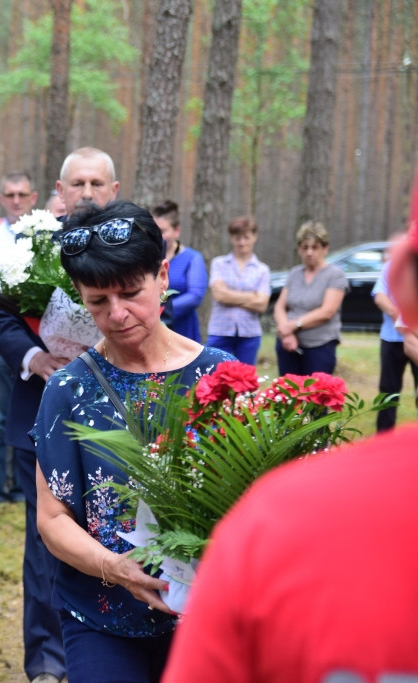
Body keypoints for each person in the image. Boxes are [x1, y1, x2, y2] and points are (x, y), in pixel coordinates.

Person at [160, 171, 418, 683]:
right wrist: (281, 322)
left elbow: (278, 303)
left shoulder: (274, 521)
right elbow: (267, 302)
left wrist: (284, 320)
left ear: (403, 281)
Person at [31, 200, 232, 683]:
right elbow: (52, 516)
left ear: (162, 275)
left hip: (209, 615)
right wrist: (114, 567)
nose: (117, 314)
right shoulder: (68, 391)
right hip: (102, 617)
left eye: (130, 293)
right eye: (97, 301)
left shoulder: (220, 377)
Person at [0, 147, 120, 683]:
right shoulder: (28, 246)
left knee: (115, 533)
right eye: (77, 183)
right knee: (46, 540)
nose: (87, 192)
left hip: (116, 416)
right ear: (59, 191)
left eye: (97, 183)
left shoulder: (131, 246)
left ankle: (109, 652)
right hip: (41, 413)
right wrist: (36, 357)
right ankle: (47, 662)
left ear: (114, 190)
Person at [0, 171, 43, 505]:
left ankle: (22, 485)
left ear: (34, 197)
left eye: (22, 194)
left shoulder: (45, 237)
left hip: (36, 343)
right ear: (2, 198)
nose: (16, 201)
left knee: (30, 413)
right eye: (10, 195)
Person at [272, 221, 347, 375]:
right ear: (299, 249)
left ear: (325, 249)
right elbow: (280, 307)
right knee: (287, 396)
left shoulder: (335, 275)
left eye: (315, 247)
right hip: (288, 345)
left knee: (317, 396)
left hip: (320, 346)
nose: (309, 252)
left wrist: (292, 326)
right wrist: (286, 333)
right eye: (305, 247)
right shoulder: (294, 273)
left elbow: (327, 311)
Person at [205, 216, 271, 365]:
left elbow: (262, 305)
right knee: (214, 377)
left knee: (245, 381)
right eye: (237, 237)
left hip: (249, 333)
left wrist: (230, 295)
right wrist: (251, 296)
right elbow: (219, 296)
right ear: (231, 238)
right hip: (219, 331)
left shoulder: (262, 270)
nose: (242, 242)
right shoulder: (219, 264)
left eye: (246, 237)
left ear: (254, 237)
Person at [150, 201, 206, 343]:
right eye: (153, 230)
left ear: (177, 231)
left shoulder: (192, 258)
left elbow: (195, 296)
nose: (157, 236)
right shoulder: (146, 258)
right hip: (150, 330)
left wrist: (158, 310)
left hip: (182, 329)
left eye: (162, 231)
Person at [372, 256, 418, 432]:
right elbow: (380, 295)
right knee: (388, 393)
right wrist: (398, 314)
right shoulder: (393, 266)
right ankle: (383, 440)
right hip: (392, 338)